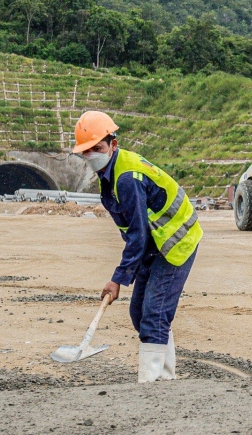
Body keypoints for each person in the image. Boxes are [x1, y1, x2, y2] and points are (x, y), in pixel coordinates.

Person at [73, 111, 202, 382]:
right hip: (153, 245)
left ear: (113, 145)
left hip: (175, 241)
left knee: (154, 314)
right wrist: (128, 272)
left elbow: (138, 234)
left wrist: (118, 278)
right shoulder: (110, 174)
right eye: (87, 151)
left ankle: (150, 386)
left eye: (98, 148)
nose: (92, 155)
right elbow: (134, 232)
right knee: (140, 312)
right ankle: (165, 377)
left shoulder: (126, 178)